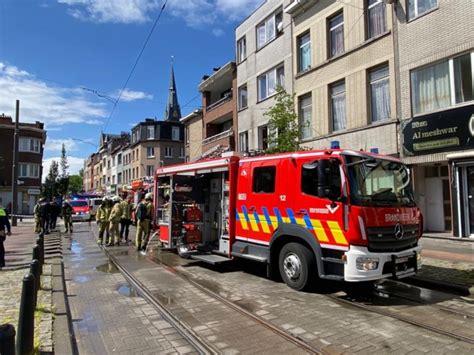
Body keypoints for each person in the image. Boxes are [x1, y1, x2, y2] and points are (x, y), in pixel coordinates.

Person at [0, 203, 12, 269]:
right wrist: (9, 230)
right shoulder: (3, 210)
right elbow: (7, 222)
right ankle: (1, 263)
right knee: (1, 247)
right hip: (1, 231)